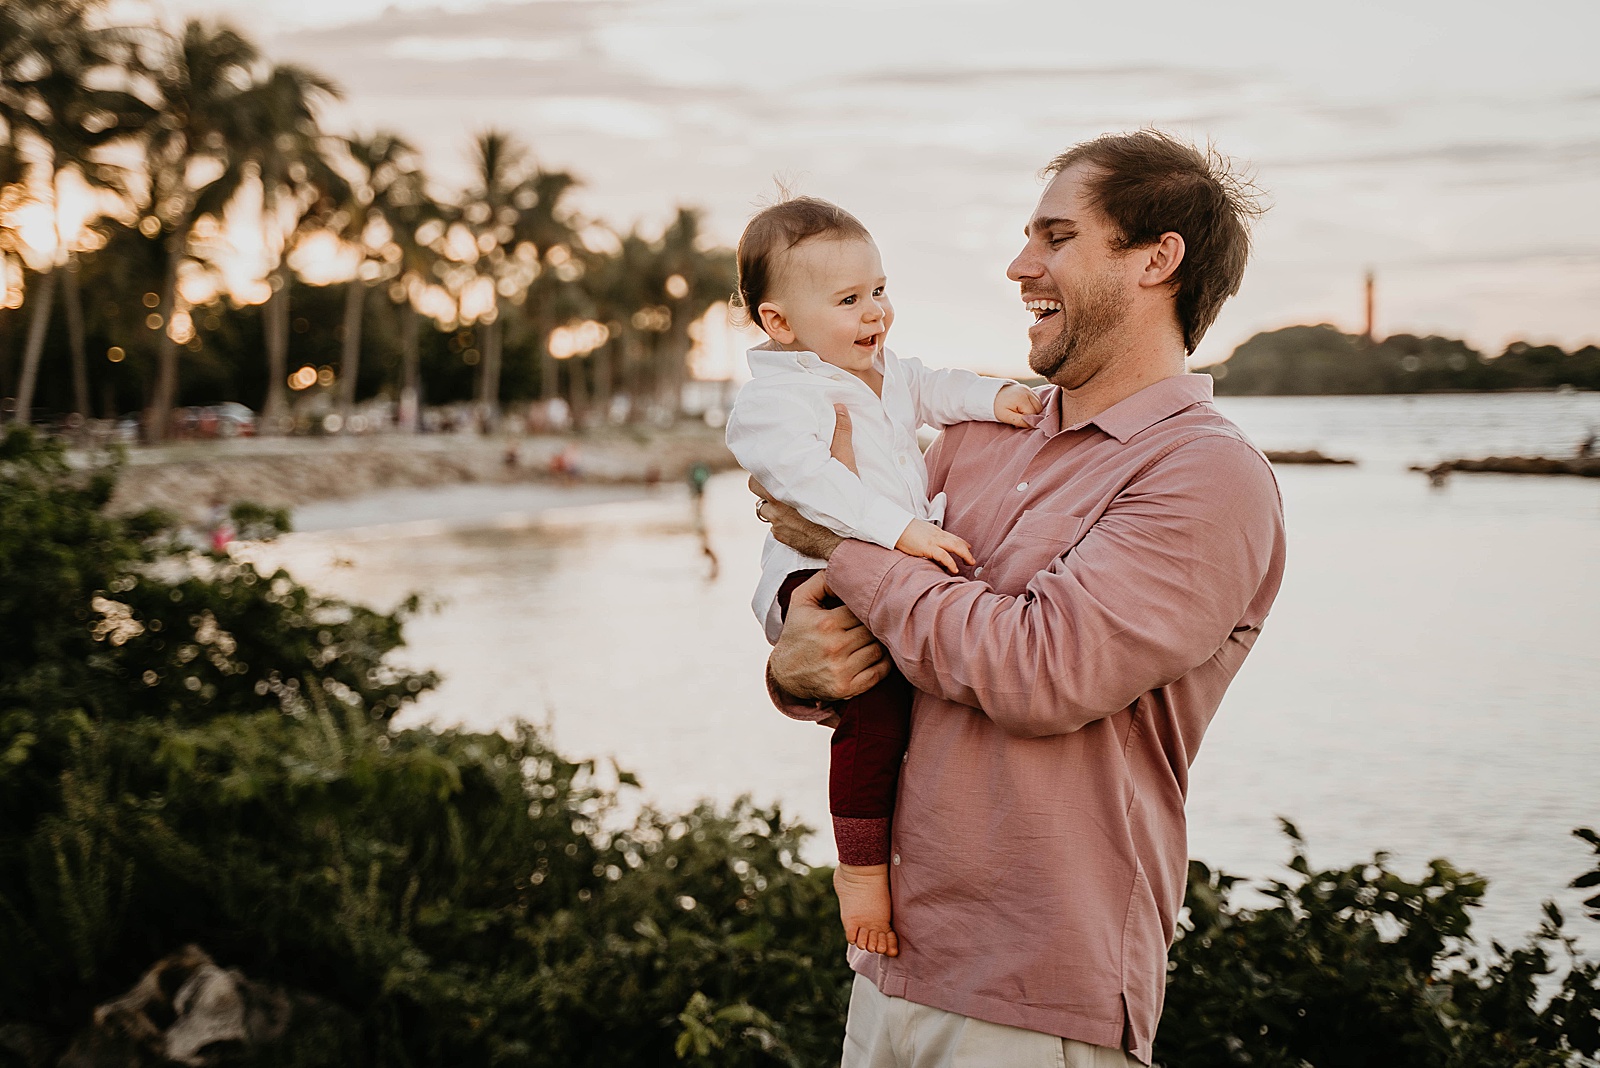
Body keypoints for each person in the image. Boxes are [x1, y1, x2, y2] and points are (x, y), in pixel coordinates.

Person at [753, 131, 1287, 1067]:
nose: (1018, 266)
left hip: (1041, 993)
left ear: (1157, 260)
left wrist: (838, 543)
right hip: (889, 967)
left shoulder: (1206, 475)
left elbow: (1040, 671)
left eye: (1055, 237)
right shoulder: (975, 437)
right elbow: (871, 626)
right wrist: (795, 665)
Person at [725, 196, 1042, 958]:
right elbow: (804, 482)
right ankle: (860, 868)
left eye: (879, 290)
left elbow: (935, 385)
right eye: (848, 300)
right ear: (780, 324)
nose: (876, 313)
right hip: (811, 574)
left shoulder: (880, 370)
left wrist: (994, 397)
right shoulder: (777, 399)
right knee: (873, 718)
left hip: (875, 562)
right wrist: (900, 531)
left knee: (898, 712)